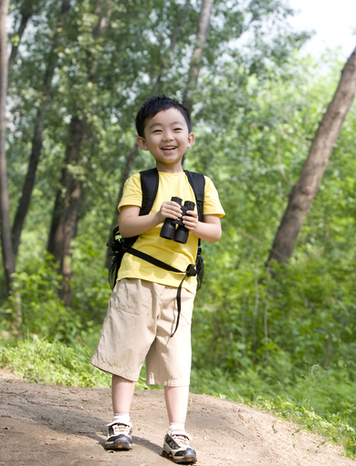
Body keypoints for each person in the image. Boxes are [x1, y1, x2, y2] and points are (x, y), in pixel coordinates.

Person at [91, 95, 224, 464]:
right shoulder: (140, 181)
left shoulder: (201, 184)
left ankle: (176, 432)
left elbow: (215, 231)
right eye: (157, 130)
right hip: (137, 277)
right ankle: (120, 424)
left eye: (176, 129)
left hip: (181, 285)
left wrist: (196, 225)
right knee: (127, 350)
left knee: (176, 357)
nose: (168, 136)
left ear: (190, 138)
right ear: (143, 142)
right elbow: (126, 225)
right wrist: (156, 216)